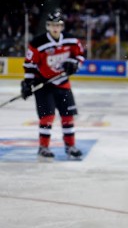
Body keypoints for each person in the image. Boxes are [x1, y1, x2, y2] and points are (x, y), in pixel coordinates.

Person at [21, 9, 85, 160]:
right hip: (43, 85)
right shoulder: (37, 43)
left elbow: (80, 55)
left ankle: (70, 146)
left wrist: (74, 64)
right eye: (52, 25)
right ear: (47, 26)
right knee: (47, 117)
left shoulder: (71, 41)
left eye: (58, 25)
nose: (55, 28)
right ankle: (43, 147)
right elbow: (30, 65)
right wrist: (27, 83)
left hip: (62, 83)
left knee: (68, 117)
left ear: (62, 27)